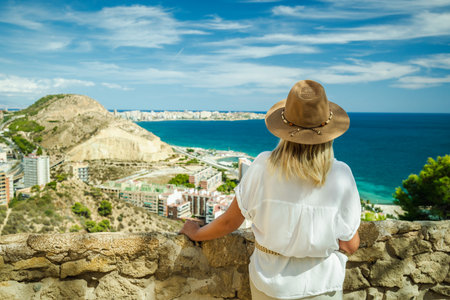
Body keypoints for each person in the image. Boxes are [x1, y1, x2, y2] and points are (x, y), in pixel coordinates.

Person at [180, 80, 361, 300]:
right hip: (323, 287)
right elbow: (350, 245)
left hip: (272, 288)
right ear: (327, 133)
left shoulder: (262, 166)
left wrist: (196, 233)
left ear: (285, 130)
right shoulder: (341, 174)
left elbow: (230, 222)